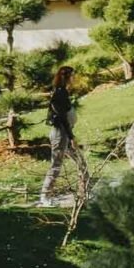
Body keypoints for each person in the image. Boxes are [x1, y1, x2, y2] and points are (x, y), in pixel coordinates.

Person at [38, 65, 89, 205]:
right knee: (56, 165)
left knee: (81, 162)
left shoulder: (63, 92)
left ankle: (85, 193)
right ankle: (45, 197)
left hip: (65, 132)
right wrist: (71, 137)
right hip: (61, 134)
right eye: (73, 75)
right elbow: (62, 118)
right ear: (67, 77)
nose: (74, 78)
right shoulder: (59, 93)